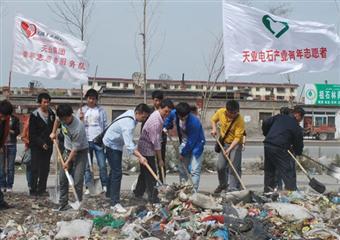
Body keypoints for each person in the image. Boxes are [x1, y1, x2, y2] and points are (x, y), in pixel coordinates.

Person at [103, 104, 151, 213]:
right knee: (117, 173)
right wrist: (141, 157)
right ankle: (114, 203)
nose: (144, 120)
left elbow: (129, 143)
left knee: (114, 171)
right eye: (143, 117)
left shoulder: (131, 113)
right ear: (138, 113)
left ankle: (109, 194)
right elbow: (129, 146)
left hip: (116, 143)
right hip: (111, 144)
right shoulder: (128, 124)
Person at [134, 99, 174, 203]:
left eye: (169, 112)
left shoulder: (159, 116)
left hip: (147, 147)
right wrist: (160, 159)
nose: (167, 114)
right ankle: (153, 197)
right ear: (160, 108)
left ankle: (138, 192)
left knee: (144, 173)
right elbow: (156, 143)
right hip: (146, 149)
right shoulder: (155, 121)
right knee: (152, 175)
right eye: (166, 111)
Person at [50, 104, 89, 211]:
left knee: (77, 179)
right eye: (61, 118)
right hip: (67, 149)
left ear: (70, 115)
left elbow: (75, 149)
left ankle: (78, 202)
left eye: (65, 119)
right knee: (63, 177)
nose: (63, 121)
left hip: (80, 151)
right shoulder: (61, 117)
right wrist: (53, 132)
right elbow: (57, 121)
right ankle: (63, 203)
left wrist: (67, 162)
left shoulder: (78, 128)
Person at [163, 102, 205, 191]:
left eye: (184, 117)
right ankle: (183, 190)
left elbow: (191, 142)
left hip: (196, 144)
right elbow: (169, 118)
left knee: (194, 171)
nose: (182, 119)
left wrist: (183, 153)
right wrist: (166, 126)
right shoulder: (174, 112)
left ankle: (193, 192)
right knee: (182, 168)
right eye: (180, 117)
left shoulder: (194, 122)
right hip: (184, 142)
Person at [262, 106, 305, 193]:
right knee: (288, 171)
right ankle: (291, 192)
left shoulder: (279, 117)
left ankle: (267, 192)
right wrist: (298, 152)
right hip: (279, 148)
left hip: (268, 144)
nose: (300, 121)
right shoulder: (295, 126)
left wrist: (267, 134)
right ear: (297, 115)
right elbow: (298, 143)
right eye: (301, 118)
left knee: (270, 171)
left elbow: (266, 122)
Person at [211, 100, 245, 193]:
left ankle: (233, 189)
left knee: (234, 166)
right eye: (232, 113)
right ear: (227, 111)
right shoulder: (221, 112)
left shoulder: (240, 120)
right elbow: (213, 120)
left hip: (235, 144)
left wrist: (229, 149)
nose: (234, 115)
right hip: (224, 143)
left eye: (236, 112)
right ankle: (223, 185)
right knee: (220, 166)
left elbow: (238, 138)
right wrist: (214, 129)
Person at [78, 89, 108, 194]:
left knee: (102, 165)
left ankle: (104, 185)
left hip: (98, 140)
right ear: (86, 99)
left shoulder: (101, 111)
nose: (91, 100)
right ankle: (88, 186)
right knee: (87, 166)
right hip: (86, 140)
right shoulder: (82, 110)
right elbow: (78, 126)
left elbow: (105, 126)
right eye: (89, 98)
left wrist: (104, 139)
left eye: (93, 99)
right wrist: (80, 118)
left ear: (96, 100)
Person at [29, 93, 55, 196]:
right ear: (40, 103)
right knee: (35, 168)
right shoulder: (34, 115)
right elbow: (32, 134)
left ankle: (42, 189)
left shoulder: (52, 114)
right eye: (44, 102)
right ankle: (33, 189)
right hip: (36, 146)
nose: (47, 104)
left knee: (45, 168)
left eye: (48, 102)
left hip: (48, 145)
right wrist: (41, 143)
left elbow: (54, 127)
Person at [0, 114, 20, 192]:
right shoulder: (2, 118)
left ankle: (9, 185)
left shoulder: (15, 118)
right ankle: (2, 184)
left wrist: (10, 131)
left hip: (11, 144)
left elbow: (18, 131)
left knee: (10, 167)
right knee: (1, 166)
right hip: (2, 145)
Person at [0, 100, 13, 210]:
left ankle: (1, 202)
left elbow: (4, 132)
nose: (3, 118)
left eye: (6, 116)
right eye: (2, 116)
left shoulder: (6, 119)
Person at [21, 116, 32, 192]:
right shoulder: (27, 124)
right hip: (30, 148)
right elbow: (23, 137)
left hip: (39, 148)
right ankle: (30, 185)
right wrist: (30, 142)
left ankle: (34, 184)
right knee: (29, 167)